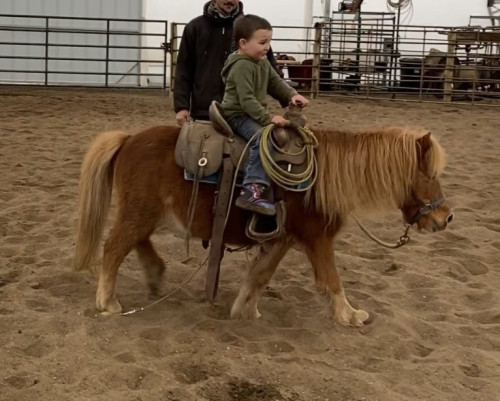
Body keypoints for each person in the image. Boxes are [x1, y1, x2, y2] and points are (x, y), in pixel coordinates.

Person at [220, 14, 309, 216]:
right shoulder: (241, 66)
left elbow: (275, 82)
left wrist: (292, 95)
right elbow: (247, 100)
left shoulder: (261, 61)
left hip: (251, 112)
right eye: (262, 43)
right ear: (243, 43)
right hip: (237, 114)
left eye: (269, 42)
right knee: (262, 139)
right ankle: (251, 189)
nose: (267, 47)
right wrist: (268, 118)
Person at [174, 0, 282, 126]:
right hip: (205, 113)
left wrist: (289, 98)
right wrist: (182, 107)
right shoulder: (195, 28)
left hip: (245, 114)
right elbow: (184, 69)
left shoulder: (251, 29)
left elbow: (270, 73)